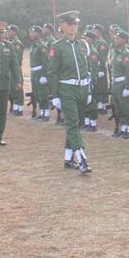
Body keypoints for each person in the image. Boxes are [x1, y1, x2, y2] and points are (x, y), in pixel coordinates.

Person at [46, 11, 92, 173]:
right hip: (67, 89)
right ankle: (82, 159)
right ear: (62, 25)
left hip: (82, 88)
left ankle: (68, 158)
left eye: (75, 24)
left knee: (77, 124)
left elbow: (87, 69)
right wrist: (55, 95)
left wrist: (89, 90)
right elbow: (52, 72)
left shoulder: (82, 45)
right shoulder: (57, 46)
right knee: (72, 123)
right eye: (70, 24)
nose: (73, 27)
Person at [110, 28, 129, 139]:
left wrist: (128, 87)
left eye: (118, 38)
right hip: (115, 84)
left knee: (126, 108)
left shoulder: (127, 54)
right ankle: (123, 128)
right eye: (115, 38)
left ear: (124, 40)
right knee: (118, 108)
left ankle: (128, 130)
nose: (115, 40)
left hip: (123, 84)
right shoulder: (115, 53)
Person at [29, 25, 51, 121]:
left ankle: (46, 113)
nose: (31, 34)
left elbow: (45, 62)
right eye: (31, 32)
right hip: (34, 72)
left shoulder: (42, 46)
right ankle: (42, 112)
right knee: (37, 94)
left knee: (43, 94)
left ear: (38, 34)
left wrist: (44, 75)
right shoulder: (34, 45)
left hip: (40, 72)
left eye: (33, 32)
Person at [6, 24, 25, 117]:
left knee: (17, 89)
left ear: (15, 32)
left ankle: (19, 109)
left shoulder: (17, 44)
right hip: (9, 70)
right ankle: (13, 107)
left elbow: (17, 60)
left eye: (10, 31)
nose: (8, 33)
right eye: (7, 31)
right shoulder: (8, 43)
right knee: (10, 89)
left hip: (15, 70)